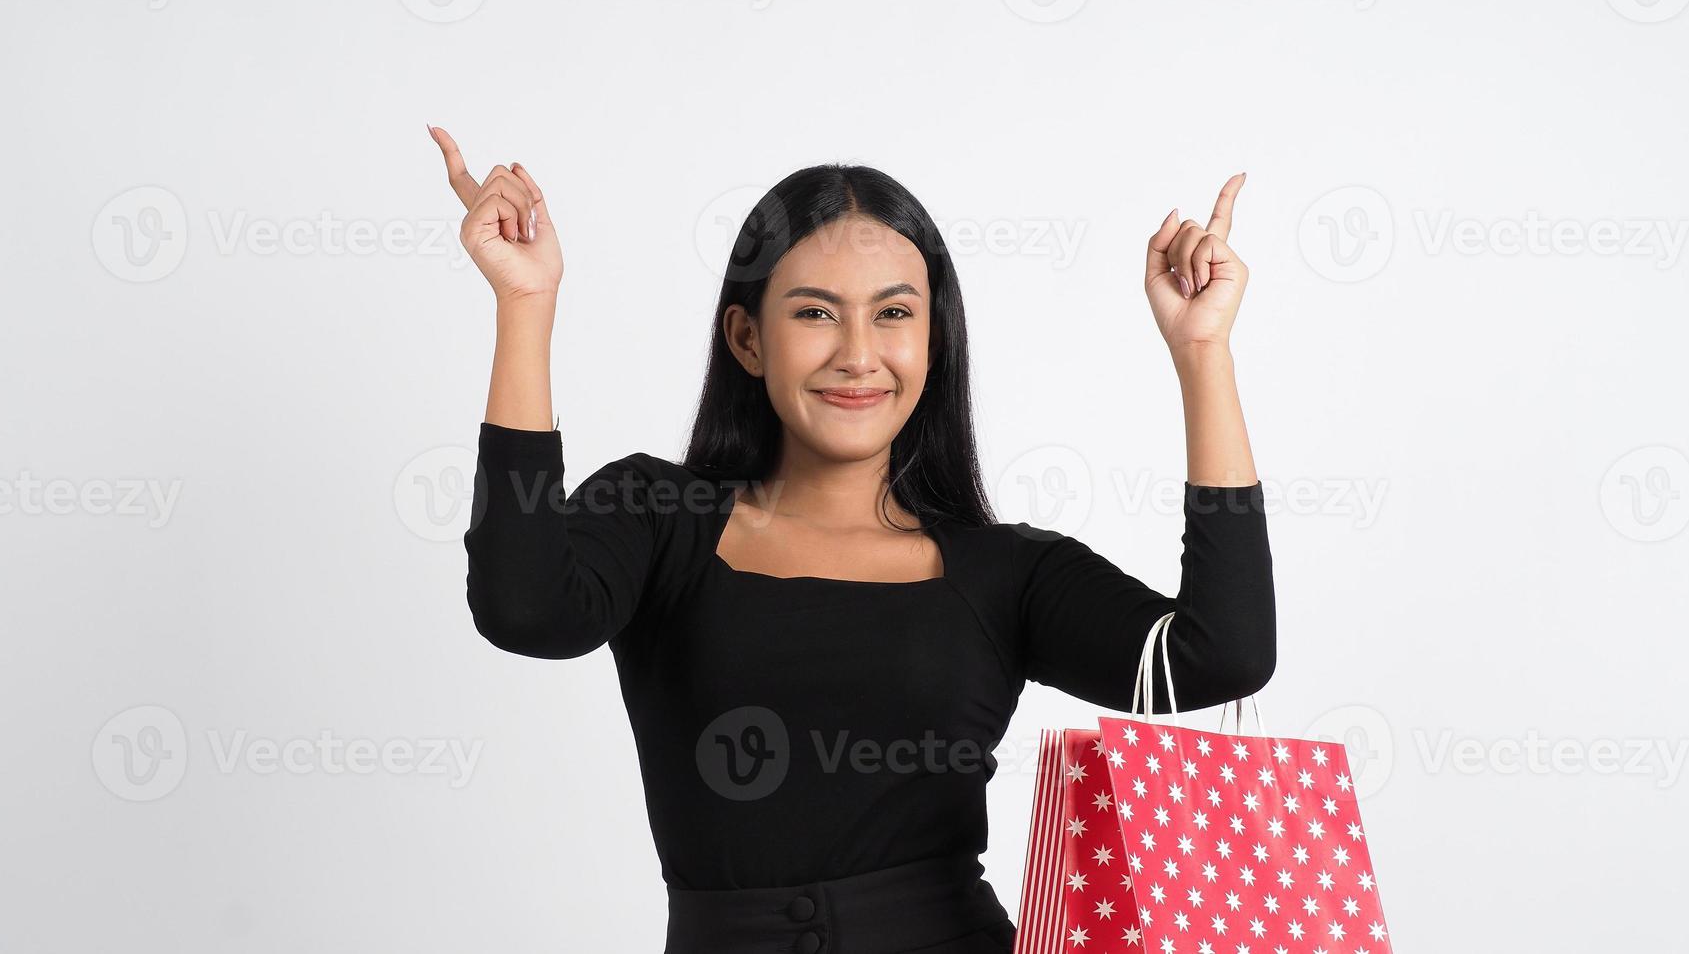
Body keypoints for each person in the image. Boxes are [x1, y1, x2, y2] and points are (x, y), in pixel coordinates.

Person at [433, 125, 1276, 954]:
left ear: (932, 342)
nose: (858, 355)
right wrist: (525, 305)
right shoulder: (661, 516)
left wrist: (1202, 355)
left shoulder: (1006, 573)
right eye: (814, 314)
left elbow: (1221, 655)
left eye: (893, 314)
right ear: (747, 339)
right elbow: (523, 609)